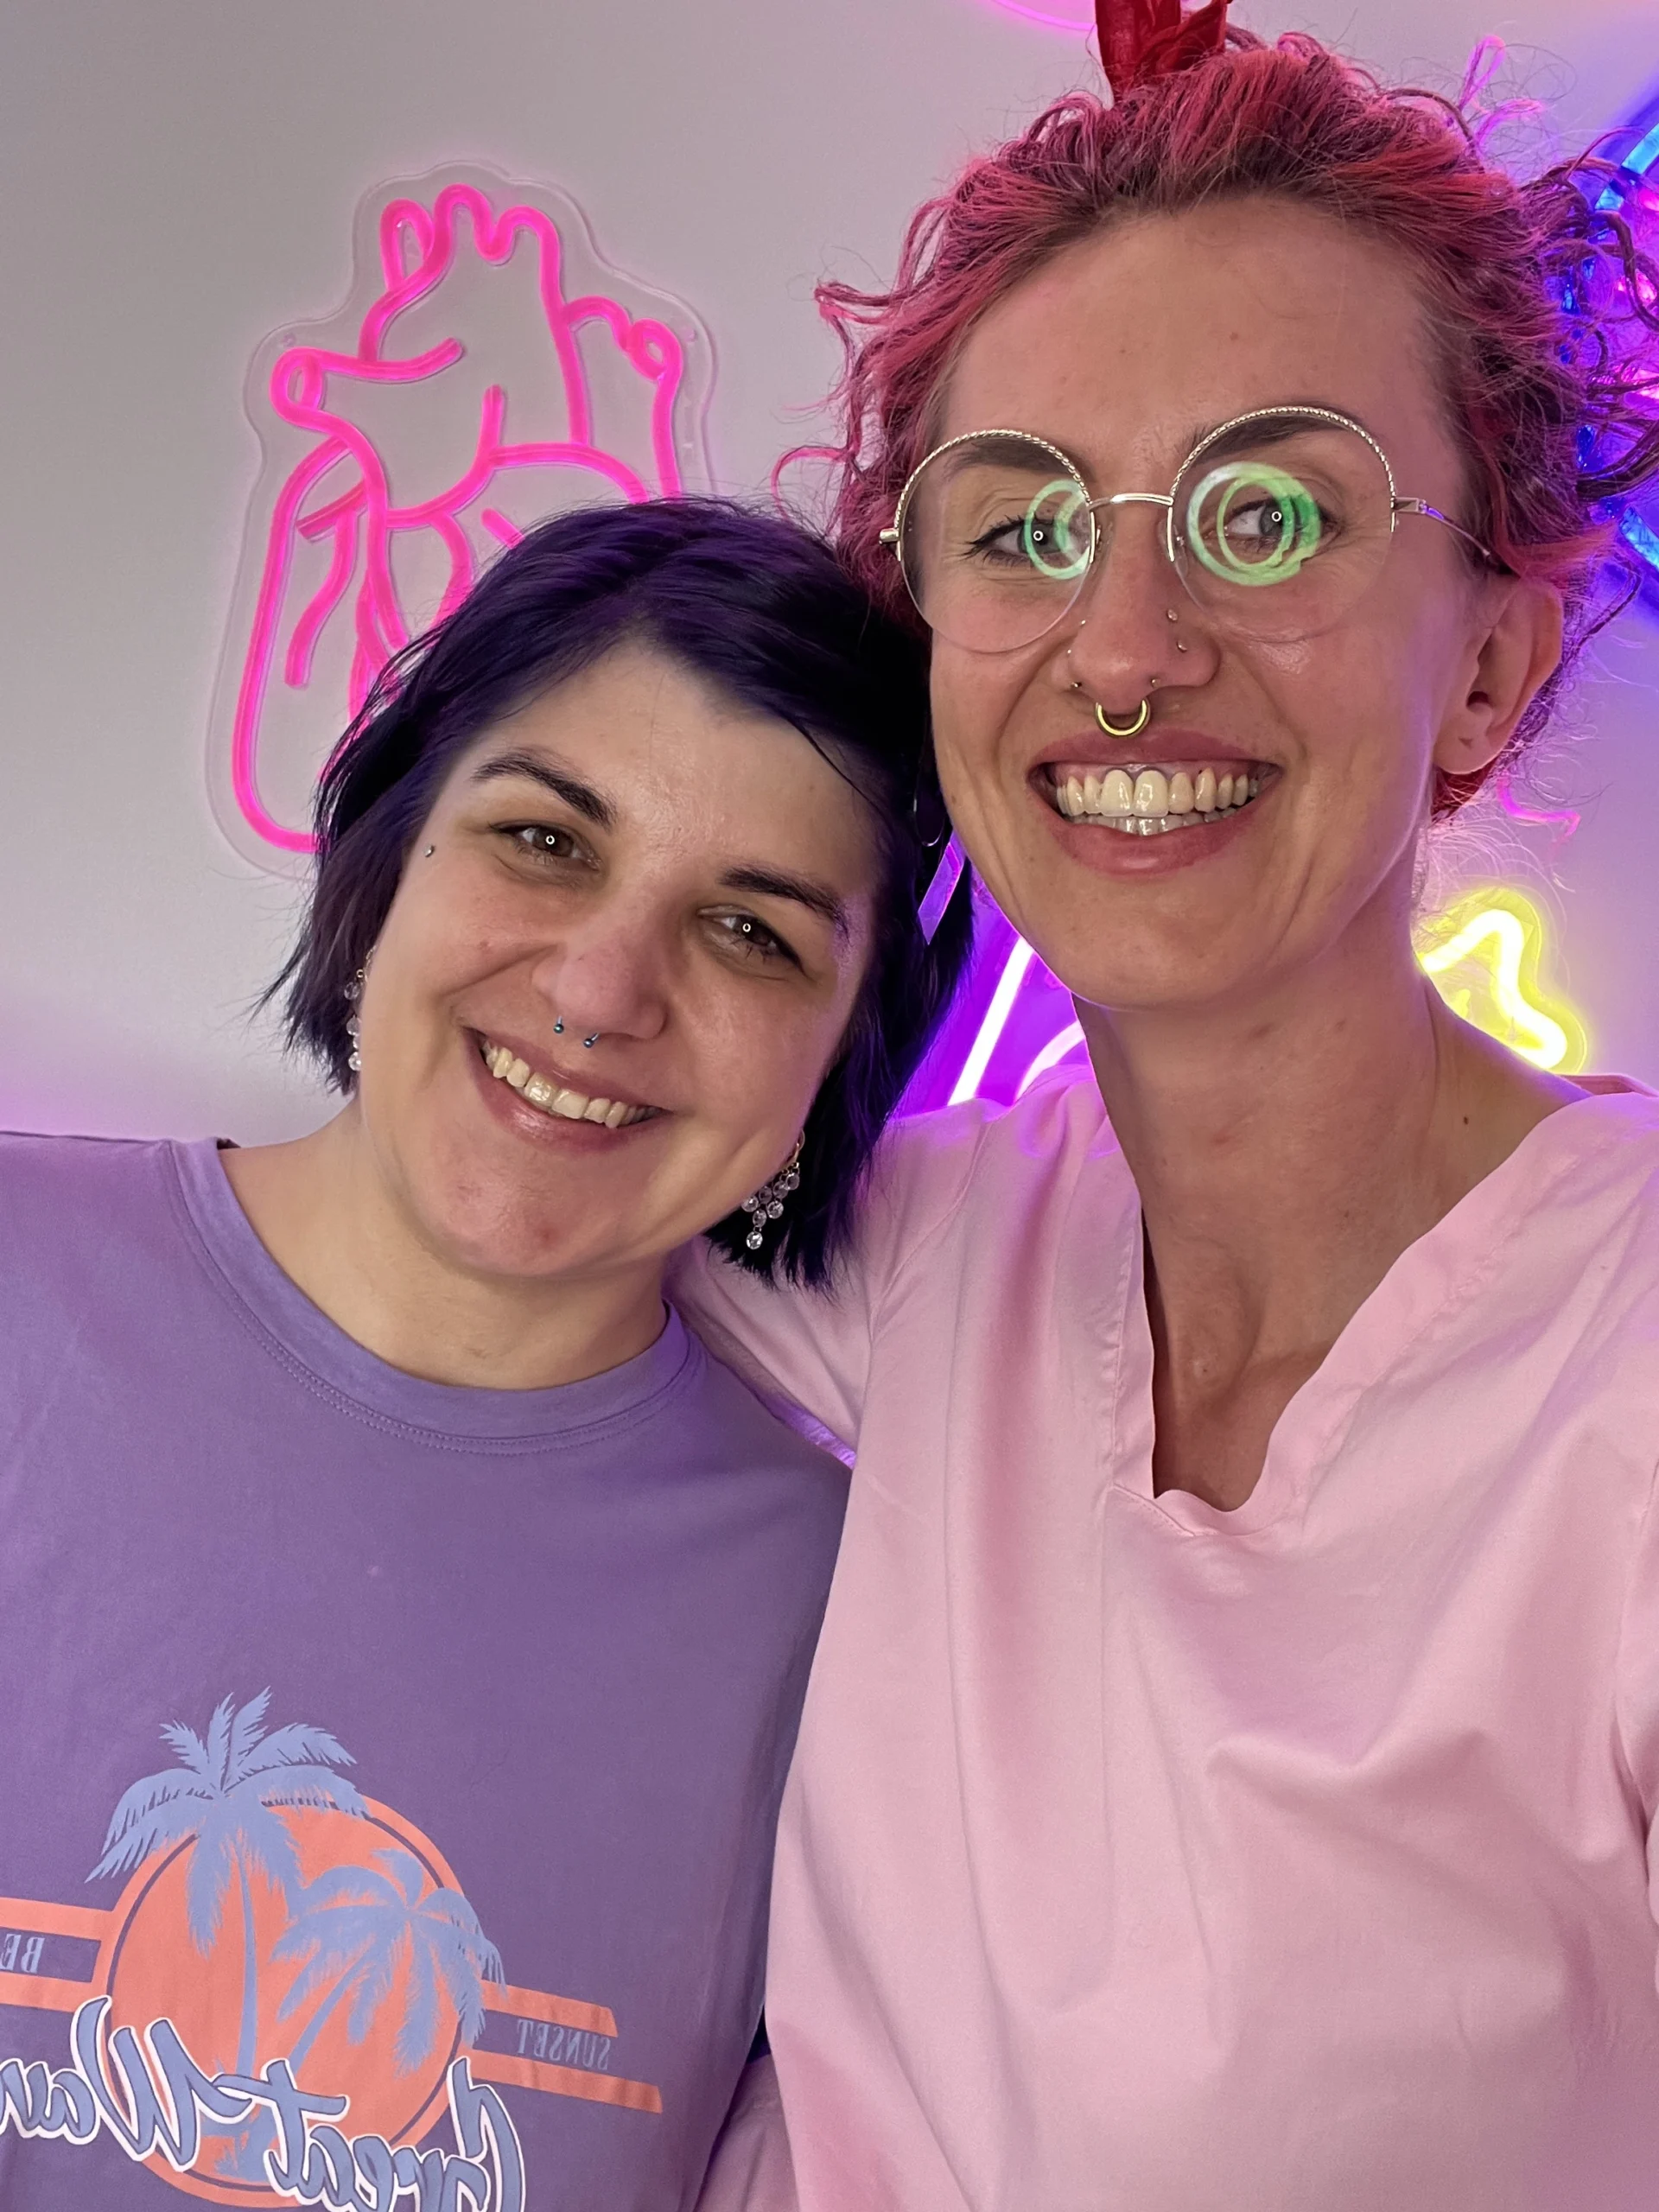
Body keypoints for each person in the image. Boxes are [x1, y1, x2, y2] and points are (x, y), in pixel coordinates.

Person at [669, 8, 1659, 2207]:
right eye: (1024, 528)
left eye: (1270, 512)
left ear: (1490, 663)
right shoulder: (905, 1247)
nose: (1122, 647)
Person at [0, 499, 969, 2211]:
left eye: (752, 930)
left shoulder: (854, 1620)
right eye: (544, 838)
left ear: (843, 1057)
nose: (600, 988)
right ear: (389, 854)